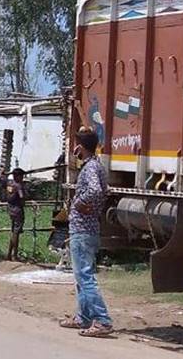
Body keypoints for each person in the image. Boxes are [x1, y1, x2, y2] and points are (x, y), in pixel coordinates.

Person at [59, 128, 113, 337]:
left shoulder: (90, 168)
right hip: (87, 229)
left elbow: (96, 191)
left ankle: (102, 320)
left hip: (83, 229)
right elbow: (103, 192)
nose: (74, 150)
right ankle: (83, 317)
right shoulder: (96, 166)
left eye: (76, 145)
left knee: (85, 276)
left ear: (80, 146)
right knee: (81, 277)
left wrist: (81, 203)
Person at [5, 167, 27, 261]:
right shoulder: (18, 185)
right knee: (16, 232)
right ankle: (15, 255)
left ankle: (9, 254)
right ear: (17, 176)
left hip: (10, 208)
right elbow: (22, 197)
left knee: (14, 231)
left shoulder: (10, 184)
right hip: (18, 209)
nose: (22, 178)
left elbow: (1, 180)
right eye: (21, 176)